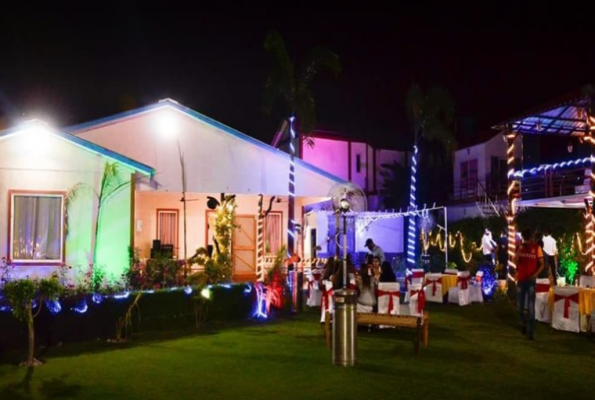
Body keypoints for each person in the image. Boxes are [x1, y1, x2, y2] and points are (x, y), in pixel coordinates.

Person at [513, 228, 544, 341]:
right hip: (521, 280)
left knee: (531, 307)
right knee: (519, 306)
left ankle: (530, 332)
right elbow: (514, 261)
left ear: (531, 238)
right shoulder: (519, 247)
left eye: (527, 238)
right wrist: (519, 249)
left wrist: (535, 275)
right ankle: (524, 322)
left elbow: (542, 264)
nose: (526, 239)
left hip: (531, 281)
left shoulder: (537, 248)